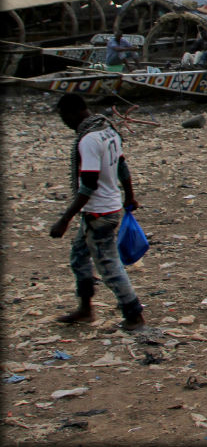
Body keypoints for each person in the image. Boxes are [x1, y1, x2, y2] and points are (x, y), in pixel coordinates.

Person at [49, 93, 146, 331]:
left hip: (100, 213)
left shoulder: (89, 139)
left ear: (72, 113)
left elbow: (88, 184)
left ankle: (134, 315)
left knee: (109, 266)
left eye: (63, 117)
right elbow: (122, 166)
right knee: (79, 256)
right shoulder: (107, 129)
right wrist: (129, 195)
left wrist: (64, 219)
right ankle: (85, 309)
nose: (65, 123)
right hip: (102, 209)